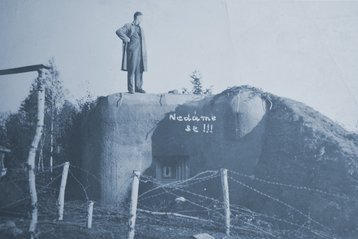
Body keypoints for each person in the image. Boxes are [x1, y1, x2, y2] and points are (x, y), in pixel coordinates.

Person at [116, 11, 147, 94]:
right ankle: (130, 88)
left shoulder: (141, 28)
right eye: (141, 18)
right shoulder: (129, 26)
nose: (142, 20)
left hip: (140, 53)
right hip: (132, 51)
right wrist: (126, 38)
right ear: (137, 18)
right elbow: (118, 31)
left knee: (139, 70)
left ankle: (138, 87)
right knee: (131, 69)